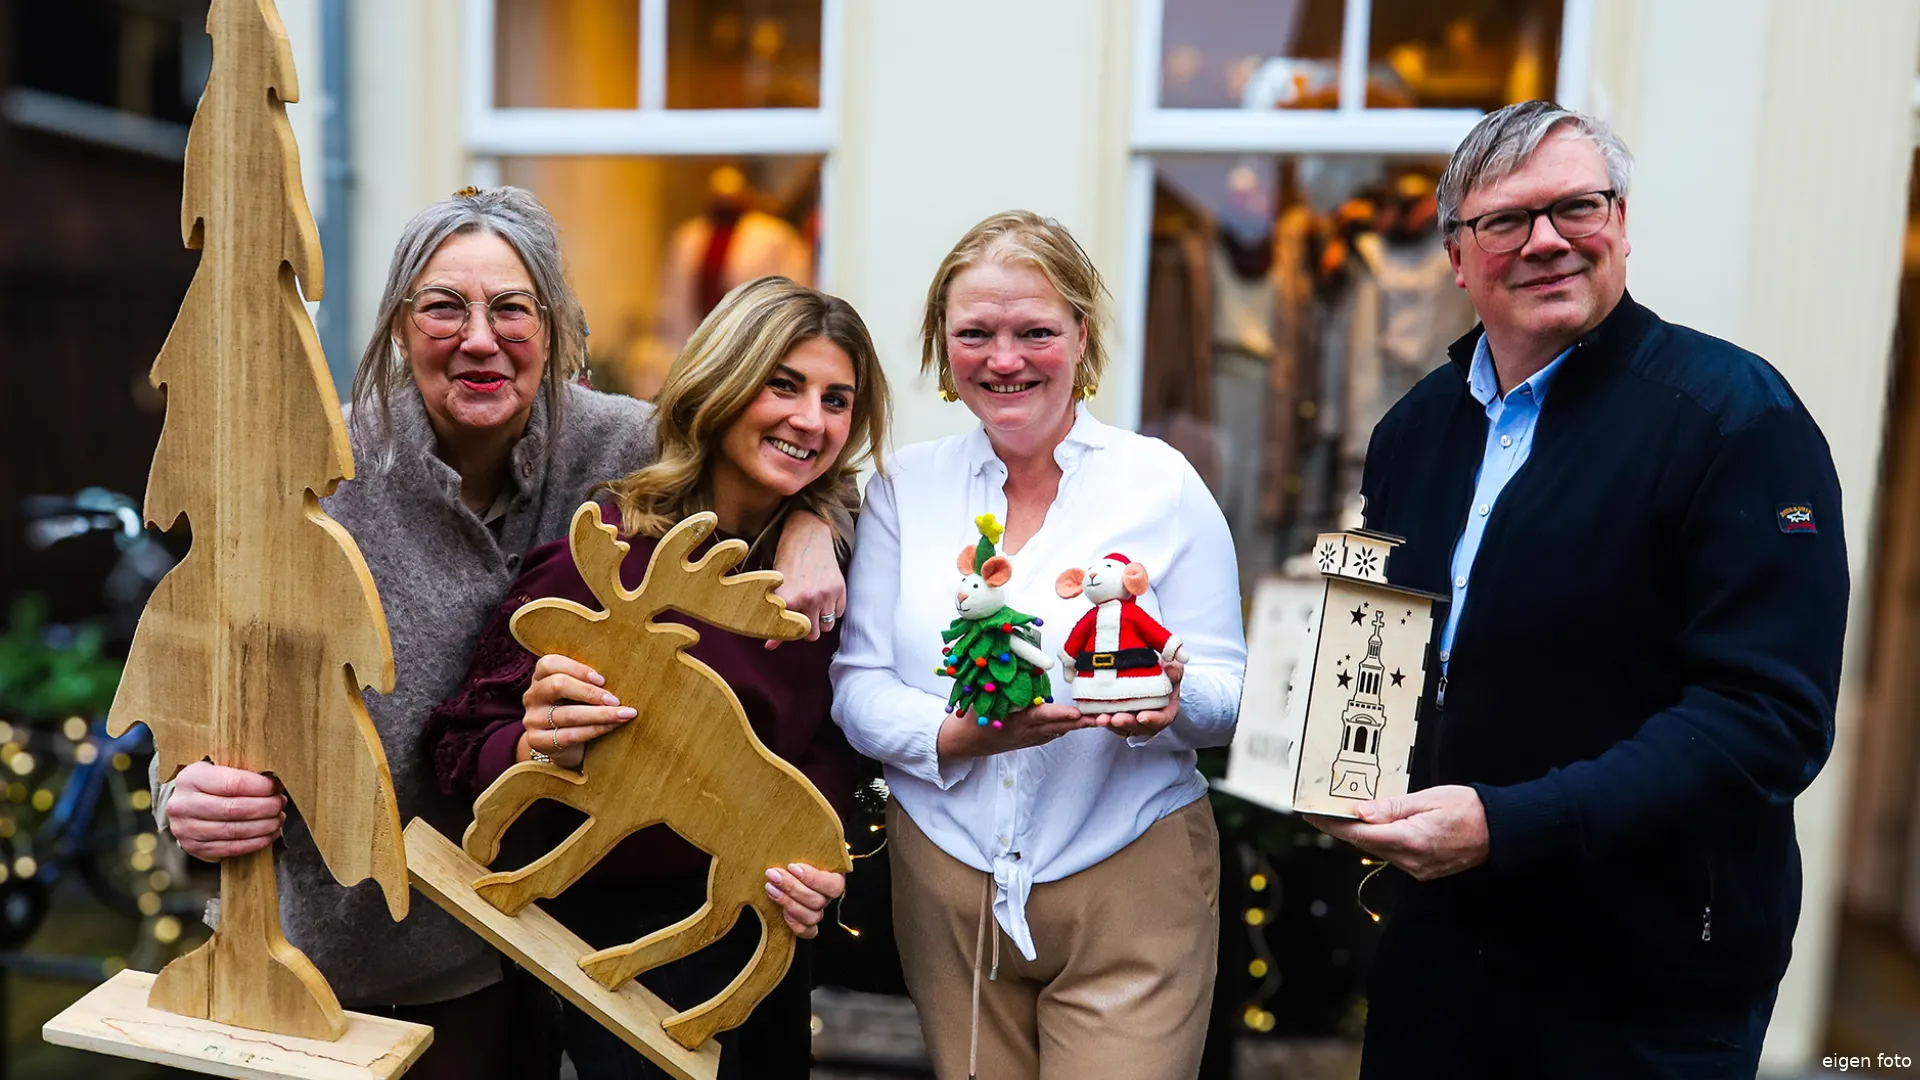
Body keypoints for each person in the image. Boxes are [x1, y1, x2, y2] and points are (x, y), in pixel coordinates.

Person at [152, 188, 847, 1080]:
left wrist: (815, 527)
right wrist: (179, 790)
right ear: (398, 327)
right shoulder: (312, 479)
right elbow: (197, 659)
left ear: (555, 329)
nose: (480, 339)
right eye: (444, 307)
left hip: (522, 947)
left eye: (512, 309)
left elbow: (782, 450)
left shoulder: (624, 446)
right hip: (333, 950)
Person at [1307, 101, 1849, 1079]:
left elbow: (1770, 718)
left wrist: (1508, 826)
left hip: (1645, 983)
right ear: (1457, 254)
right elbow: (1380, 643)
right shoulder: (1414, 432)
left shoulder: (1734, 419)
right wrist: (1322, 766)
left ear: (1622, 223)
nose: (1548, 240)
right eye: (1508, 220)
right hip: (1443, 959)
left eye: (1577, 207)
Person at [427, 275, 888, 1079]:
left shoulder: (835, 582)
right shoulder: (607, 563)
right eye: (783, 385)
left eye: (836, 400)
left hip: (761, 936)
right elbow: (458, 745)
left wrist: (818, 867)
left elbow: (835, 745)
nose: (811, 420)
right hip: (605, 942)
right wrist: (534, 744)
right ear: (723, 383)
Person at [831, 210, 1247, 1078]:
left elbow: (1227, 696)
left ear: (1082, 337)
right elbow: (859, 684)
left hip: (1129, 867)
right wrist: (956, 736)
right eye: (975, 334)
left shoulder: (1160, 483)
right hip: (946, 882)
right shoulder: (905, 488)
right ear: (943, 345)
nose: (1005, 358)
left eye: (1035, 332)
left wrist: (1170, 704)